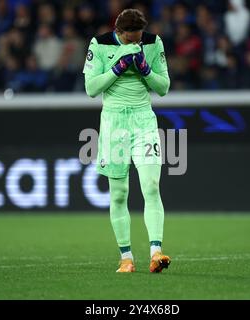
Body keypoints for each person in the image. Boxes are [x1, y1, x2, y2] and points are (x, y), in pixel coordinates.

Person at [83, 9, 171, 273]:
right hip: (114, 124)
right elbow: (91, 89)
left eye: (138, 38)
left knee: (151, 186)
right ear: (118, 32)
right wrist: (117, 68)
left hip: (144, 120)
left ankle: (156, 252)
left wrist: (146, 70)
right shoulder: (100, 45)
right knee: (119, 193)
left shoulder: (153, 43)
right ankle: (126, 258)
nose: (136, 43)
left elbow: (163, 87)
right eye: (131, 39)